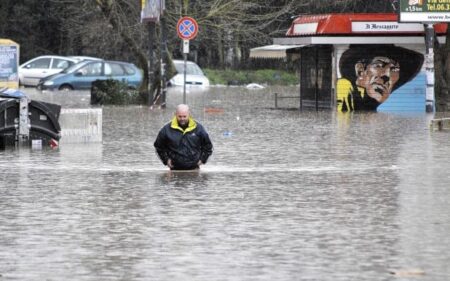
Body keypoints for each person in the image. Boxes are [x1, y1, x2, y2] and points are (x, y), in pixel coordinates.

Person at [337, 45, 424, 112]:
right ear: (360, 70)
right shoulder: (345, 88)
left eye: (394, 70)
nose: (387, 76)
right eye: (379, 65)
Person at [154, 104, 213, 170]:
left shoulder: (199, 128)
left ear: (189, 115)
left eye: (184, 116)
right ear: (175, 114)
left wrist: (202, 160)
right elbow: (158, 146)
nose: (182, 119)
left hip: (194, 170)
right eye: (180, 116)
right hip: (174, 170)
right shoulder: (166, 129)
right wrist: (166, 160)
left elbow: (208, 146)